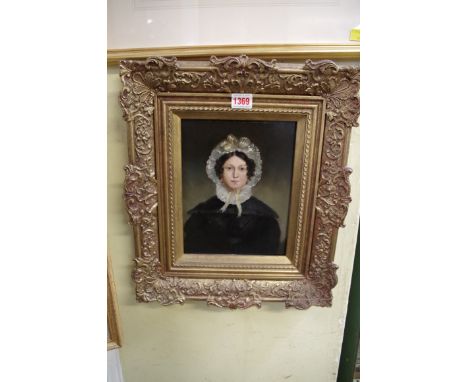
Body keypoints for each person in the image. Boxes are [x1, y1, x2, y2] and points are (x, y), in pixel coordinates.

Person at [184, 134, 281, 255]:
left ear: (249, 173)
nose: (235, 175)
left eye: (241, 169)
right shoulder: (200, 216)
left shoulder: (266, 220)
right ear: (220, 173)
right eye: (229, 168)